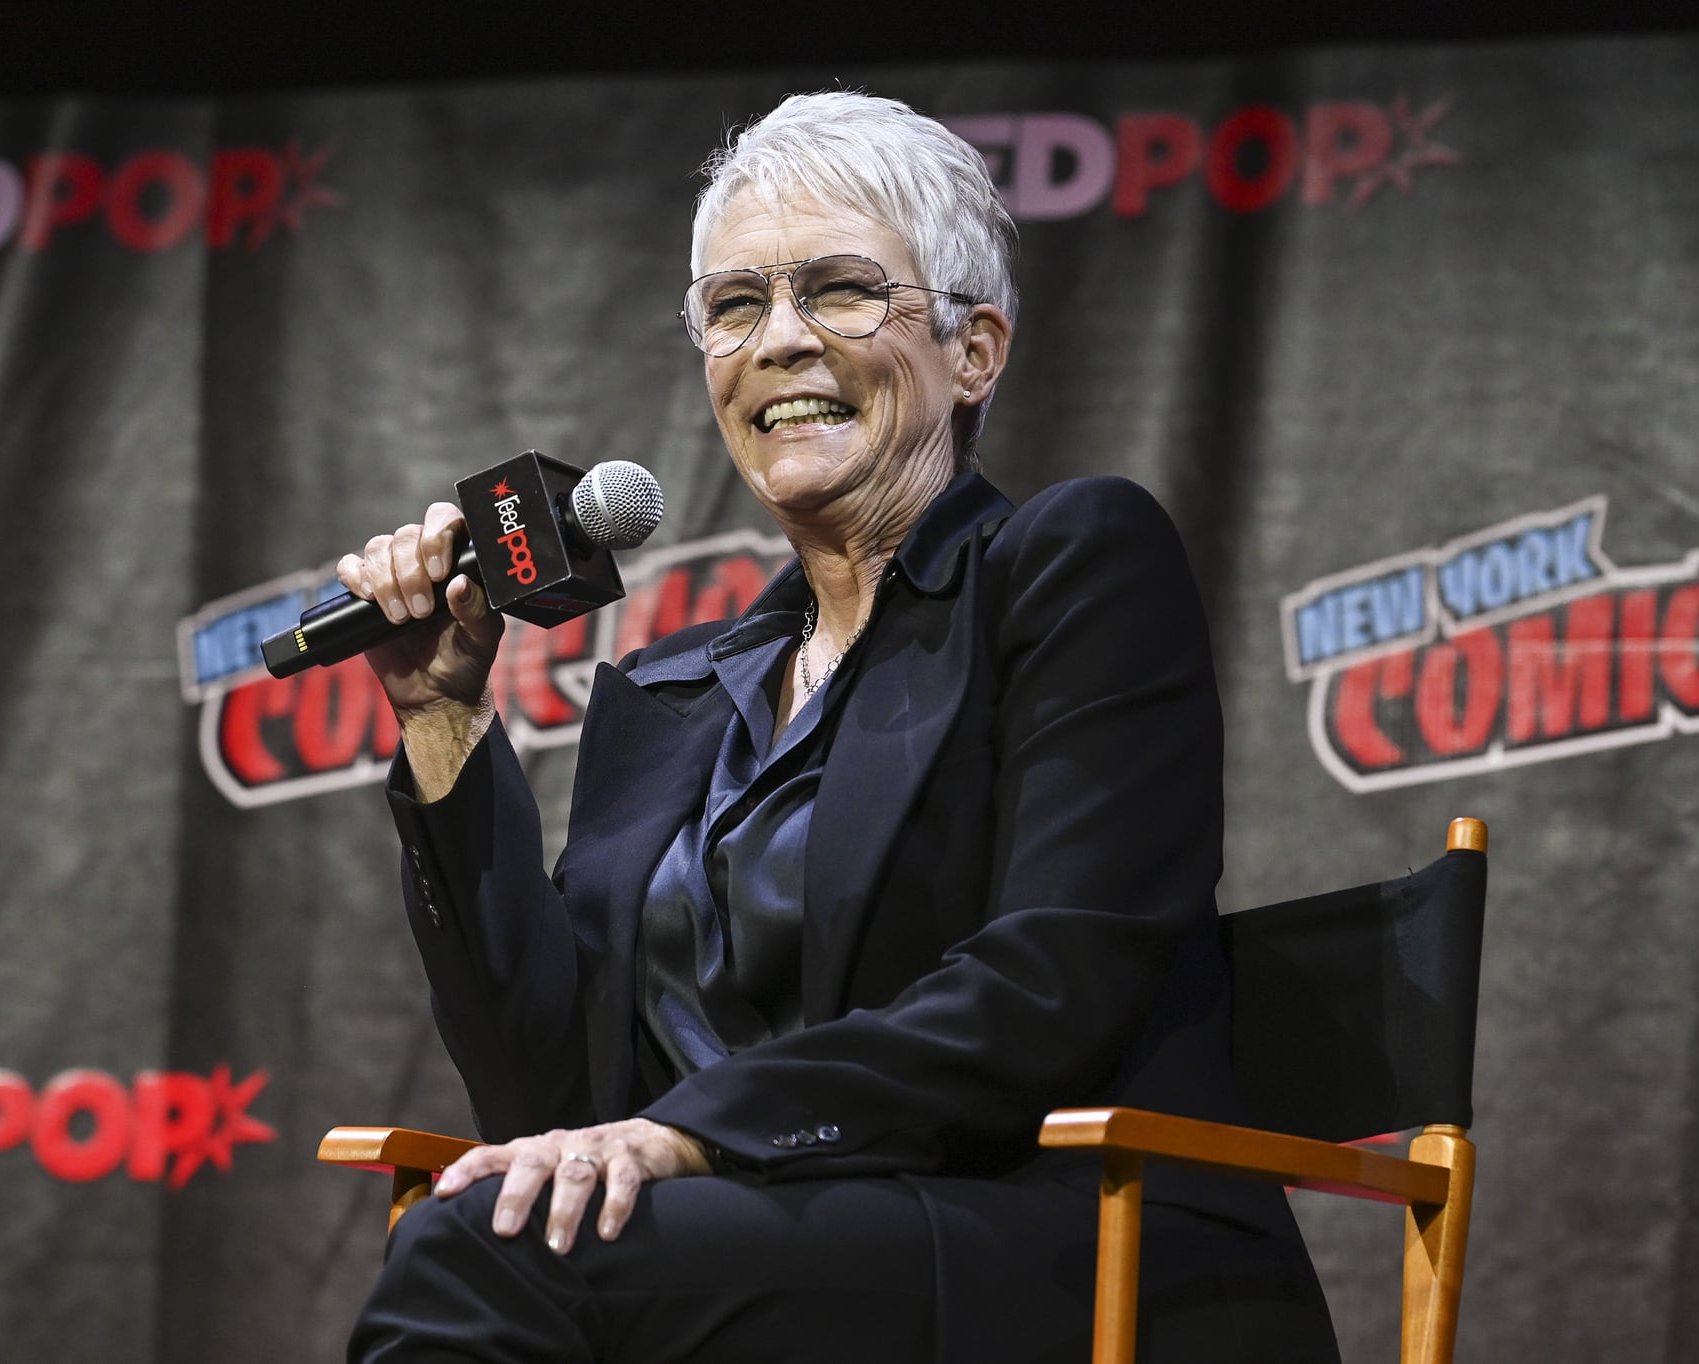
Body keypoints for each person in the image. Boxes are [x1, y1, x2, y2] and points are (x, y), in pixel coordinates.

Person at [338, 91, 1340, 1363]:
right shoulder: (665, 696)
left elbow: (1052, 977)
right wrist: (438, 713)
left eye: (840, 290)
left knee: (475, 1253)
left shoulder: (1066, 566)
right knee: (501, 1214)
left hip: (1053, 1238)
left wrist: (692, 1131)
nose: (780, 343)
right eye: (736, 305)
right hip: (766, 1247)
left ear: (974, 350)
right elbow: (548, 1101)